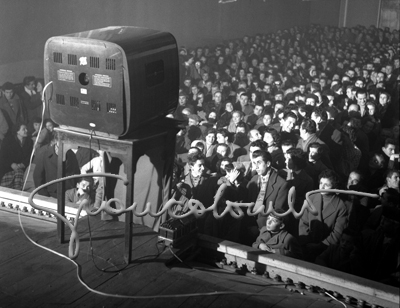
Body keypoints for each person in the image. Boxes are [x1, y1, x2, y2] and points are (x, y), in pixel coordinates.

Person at [299, 169, 348, 262]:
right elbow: (303, 222)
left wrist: (320, 246)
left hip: (325, 251)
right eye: (321, 183)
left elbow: (337, 233)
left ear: (334, 187)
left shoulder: (340, 206)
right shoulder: (311, 198)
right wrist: (306, 242)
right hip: (306, 246)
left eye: (327, 185)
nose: (322, 186)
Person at [246, 150, 291, 230]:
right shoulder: (254, 179)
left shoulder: (281, 184)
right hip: (249, 223)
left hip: (266, 227)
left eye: (259, 163)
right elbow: (246, 202)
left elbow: (277, 212)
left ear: (268, 164)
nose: (256, 167)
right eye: (254, 163)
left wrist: (260, 227)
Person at [0, 122, 33, 190]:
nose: (26, 130)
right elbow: (3, 156)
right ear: (17, 131)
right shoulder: (7, 141)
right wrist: (11, 164)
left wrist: (22, 164)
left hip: (22, 168)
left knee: (19, 175)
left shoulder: (29, 141)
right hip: (7, 169)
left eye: (26, 129)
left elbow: (30, 156)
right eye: (23, 129)